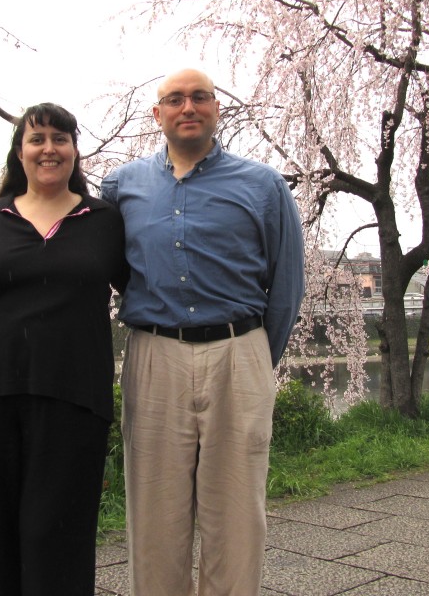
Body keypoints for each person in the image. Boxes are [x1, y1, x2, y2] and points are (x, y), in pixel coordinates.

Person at [101, 68, 305, 596]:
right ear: (157, 114)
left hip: (240, 352)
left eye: (199, 97)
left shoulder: (263, 185)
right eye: (174, 99)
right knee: (153, 515)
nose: (187, 107)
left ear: (217, 109)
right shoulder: (121, 187)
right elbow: (101, 267)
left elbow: (285, 285)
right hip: (154, 354)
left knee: (238, 515)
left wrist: (255, 355)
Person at [0, 102, 128, 596]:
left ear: (74, 150)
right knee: (3, 534)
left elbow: (144, 289)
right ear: (19, 152)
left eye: (60, 139)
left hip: (76, 399)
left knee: (60, 533)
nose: (49, 149)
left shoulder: (104, 220)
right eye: (37, 139)